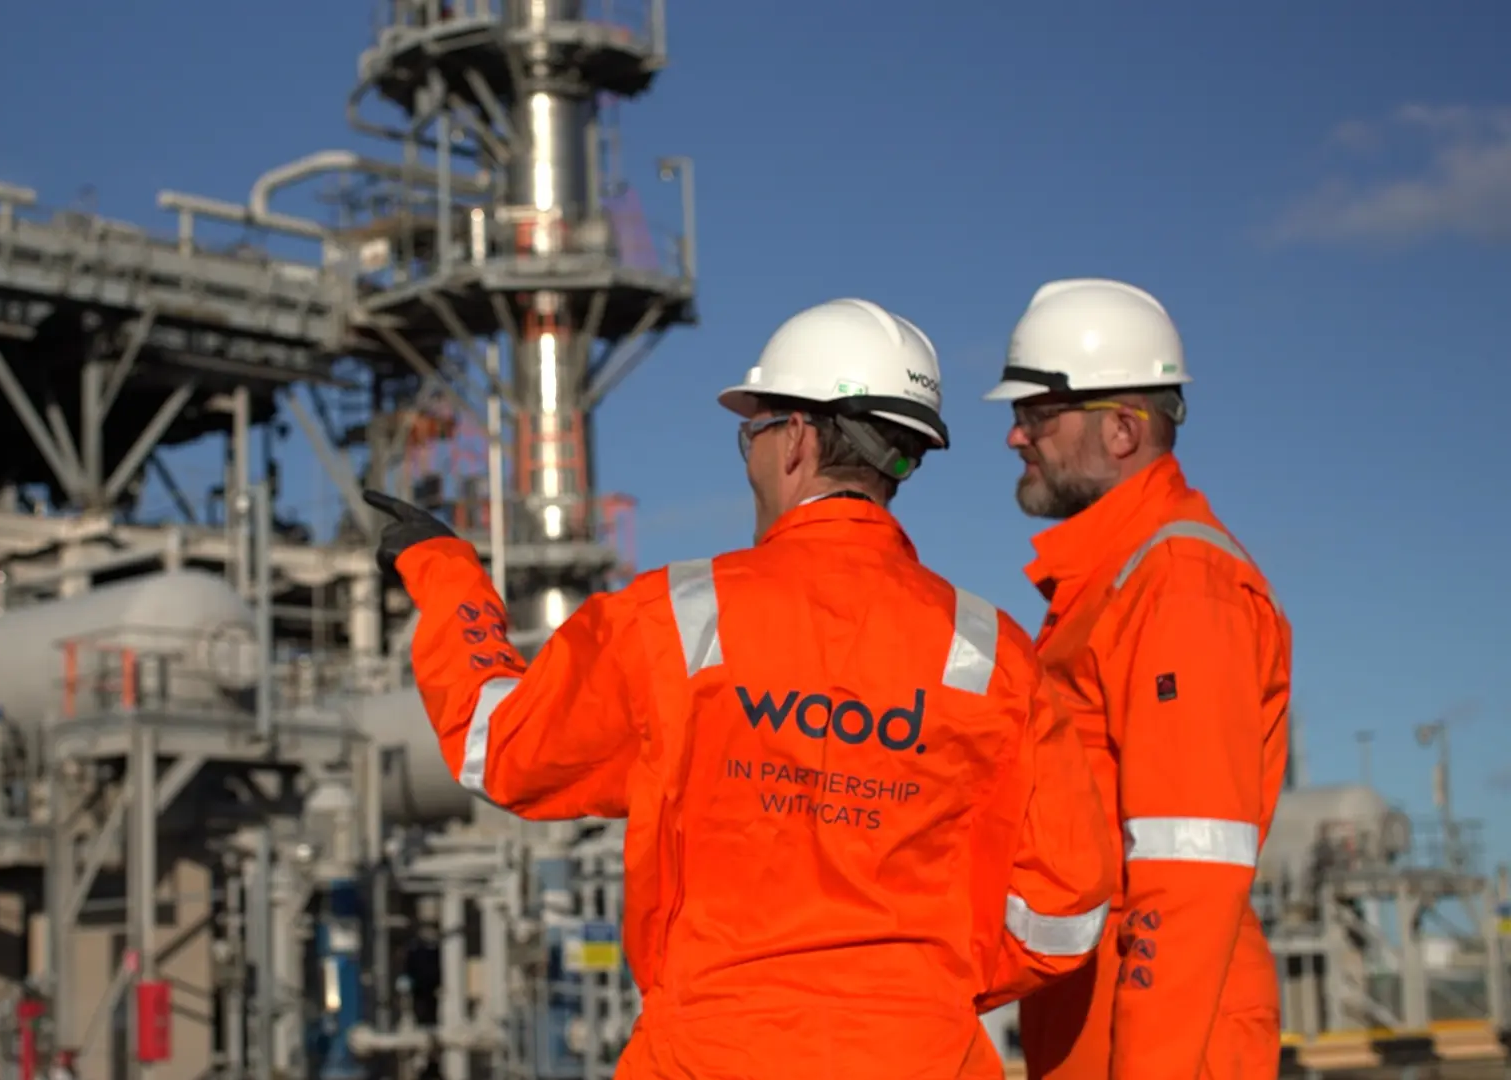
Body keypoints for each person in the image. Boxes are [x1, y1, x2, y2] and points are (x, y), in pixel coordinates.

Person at [364, 297, 1118, 1079]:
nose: (749, 455)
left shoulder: (674, 617)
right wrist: (919, 994)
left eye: (751, 432)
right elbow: (1067, 904)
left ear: (796, 439)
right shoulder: (993, 653)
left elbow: (500, 745)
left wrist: (446, 577)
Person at [982, 278, 1292, 1079]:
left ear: (1122, 428)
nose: (1016, 437)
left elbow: (1190, 868)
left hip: (1166, 1032)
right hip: (1099, 1014)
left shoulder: (1179, 582)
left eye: (1037, 415)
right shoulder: (1114, 582)